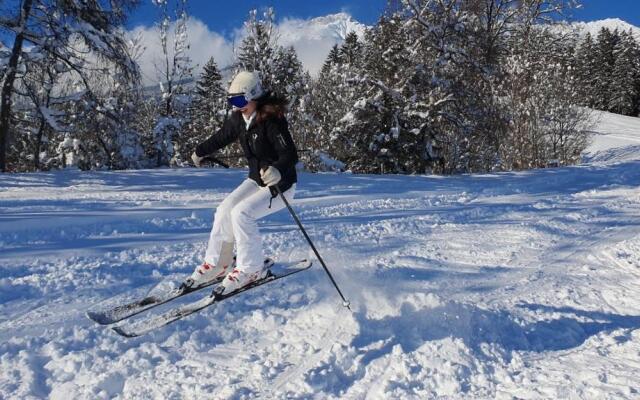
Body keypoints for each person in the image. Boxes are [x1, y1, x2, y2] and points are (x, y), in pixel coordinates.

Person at [186, 71, 298, 295]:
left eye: (240, 100)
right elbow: (222, 136)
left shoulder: (271, 120)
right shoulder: (240, 119)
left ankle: (250, 269)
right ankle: (219, 264)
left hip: (280, 185)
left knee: (241, 214)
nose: (237, 107)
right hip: (256, 180)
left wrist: (277, 169)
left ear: (254, 96)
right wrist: (200, 151)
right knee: (225, 210)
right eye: (232, 101)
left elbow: (290, 153)